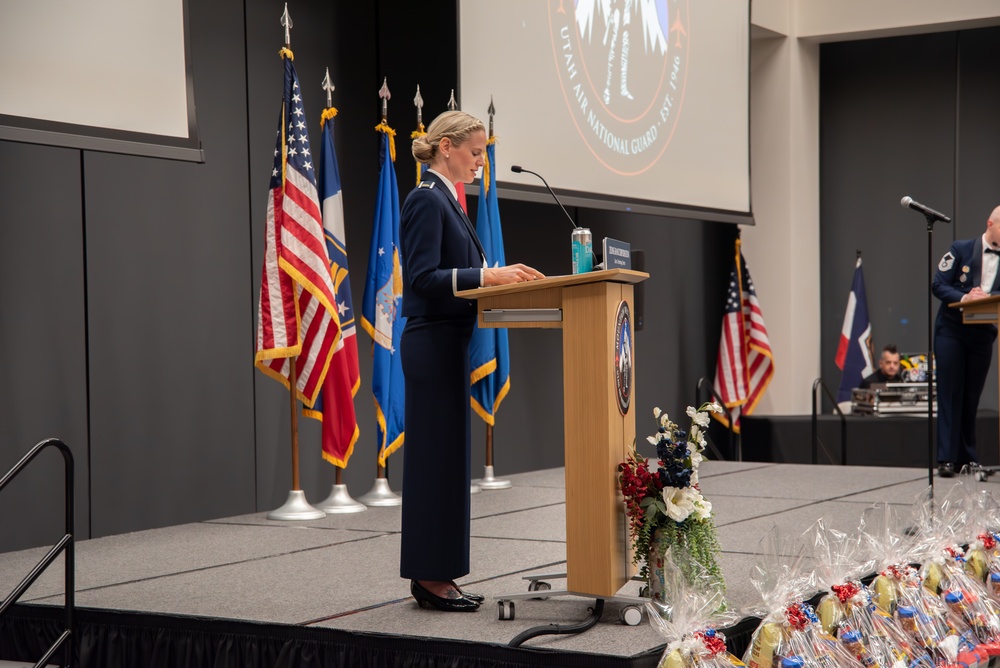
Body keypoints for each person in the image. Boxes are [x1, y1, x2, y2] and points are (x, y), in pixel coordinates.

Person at [398, 110, 545, 612]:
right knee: (432, 465)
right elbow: (420, 279)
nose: (482, 161)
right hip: (430, 343)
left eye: (482, 152)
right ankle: (428, 577)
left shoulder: (449, 201)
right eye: (476, 151)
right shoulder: (424, 199)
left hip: (449, 344)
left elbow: (455, 272)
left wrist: (494, 276)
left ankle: (441, 572)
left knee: (447, 463)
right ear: (446, 147)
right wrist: (488, 277)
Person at [932, 204, 1000, 478]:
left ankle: (967, 457)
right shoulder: (960, 249)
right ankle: (946, 458)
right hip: (952, 331)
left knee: (971, 395)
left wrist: (989, 295)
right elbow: (939, 284)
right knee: (950, 393)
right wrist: (965, 297)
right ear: (990, 223)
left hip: (983, 333)